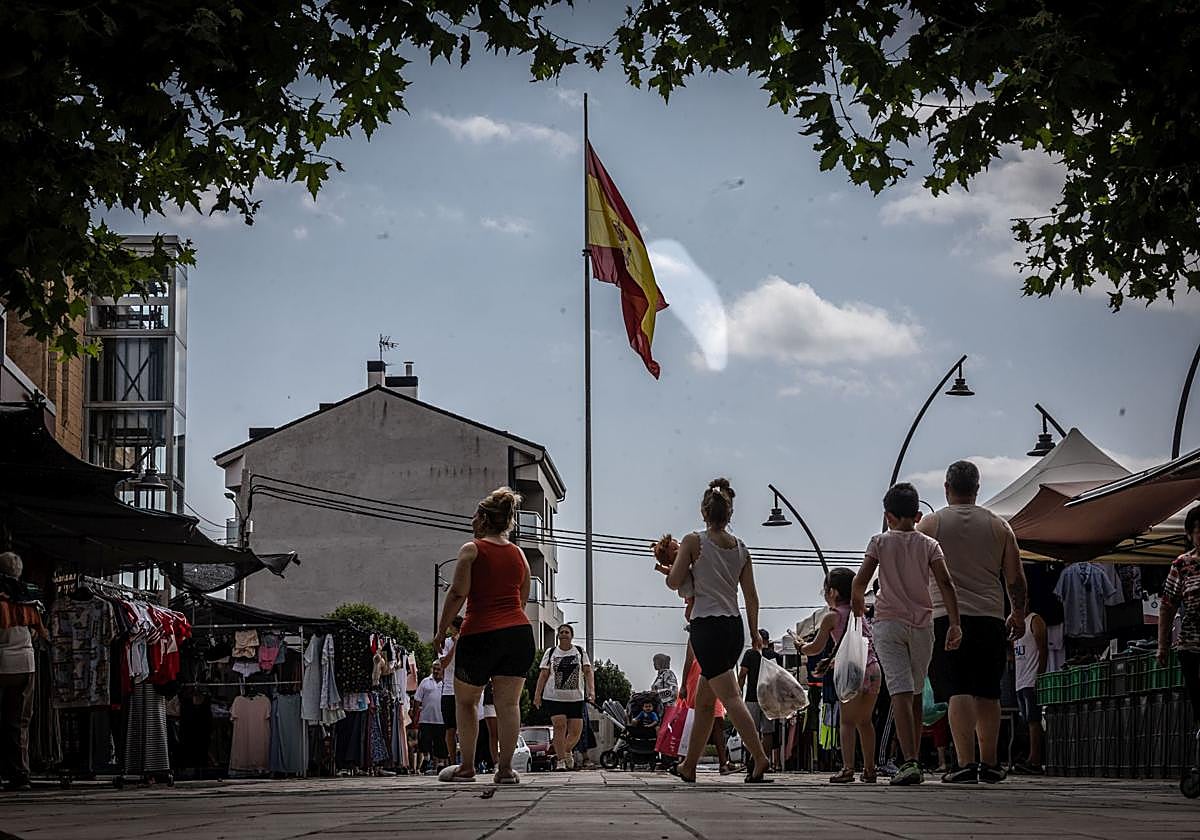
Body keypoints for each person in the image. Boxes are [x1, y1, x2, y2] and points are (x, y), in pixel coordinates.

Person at [917, 461, 1026, 784]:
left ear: (946, 488)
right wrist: (1018, 614)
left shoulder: (931, 524)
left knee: (957, 689)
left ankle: (964, 763)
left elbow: (915, 572)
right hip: (990, 617)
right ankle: (990, 763)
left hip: (945, 618)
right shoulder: (999, 526)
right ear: (977, 490)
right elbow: (1015, 579)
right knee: (988, 691)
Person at [853, 482, 962, 786]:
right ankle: (911, 759)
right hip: (923, 626)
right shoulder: (930, 545)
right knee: (913, 693)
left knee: (900, 694)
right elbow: (946, 583)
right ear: (917, 515)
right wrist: (954, 623)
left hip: (888, 625)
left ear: (888, 516)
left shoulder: (879, 542)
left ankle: (910, 761)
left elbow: (859, 583)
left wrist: (859, 605)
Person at [665, 478, 772, 783]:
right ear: (730, 513)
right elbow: (751, 596)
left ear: (703, 512)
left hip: (707, 627)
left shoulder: (693, 542)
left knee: (732, 697)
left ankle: (760, 759)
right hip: (733, 628)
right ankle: (689, 766)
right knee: (705, 702)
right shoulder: (741, 549)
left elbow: (675, 582)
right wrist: (754, 634)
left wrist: (673, 568)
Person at [431, 487, 536, 784]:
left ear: (483, 519)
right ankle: (504, 770)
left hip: (480, 635)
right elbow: (522, 599)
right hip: (518, 634)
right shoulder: (520, 555)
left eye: (475, 516)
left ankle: (466, 767)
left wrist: (441, 631)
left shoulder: (471, 549)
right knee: (508, 705)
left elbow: (457, 594)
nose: (472, 521)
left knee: (466, 702)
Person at [804, 568, 884, 783]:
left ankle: (848, 768)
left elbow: (815, 647)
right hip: (873, 669)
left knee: (847, 722)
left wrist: (801, 647)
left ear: (833, 592)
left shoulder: (832, 616)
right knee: (866, 722)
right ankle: (869, 769)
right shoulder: (860, 611)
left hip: (852, 671)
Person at [1159, 506, 1200, 724]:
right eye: (1198, 530)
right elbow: (1167, 606)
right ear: (1190, 535)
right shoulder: (1182, 564)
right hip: (1191, 645)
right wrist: (1162, 645)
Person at [533, 624, 595, 771]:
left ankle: (566, 751)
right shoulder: (551, 652)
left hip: (576, 698)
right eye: (561, 632)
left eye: (567, 632)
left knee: (576, 732)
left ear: (571, 635)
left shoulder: (579, 652)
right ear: (558, 636)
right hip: (554, 697)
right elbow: (543, 675)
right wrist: (537, 695)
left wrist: (591, 691)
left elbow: (588, 672)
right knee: (559, 727)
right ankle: (560, 760)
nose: (564, 634)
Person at [0, 551, 37, 792]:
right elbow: (36, 632)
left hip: (3, 662)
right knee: (20, 721)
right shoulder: (29, 598)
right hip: (27, 663)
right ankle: (20, 773)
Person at [680, 641, 735, 774]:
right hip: (708, 676)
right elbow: (689, 660)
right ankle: (721, 763)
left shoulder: (700, 631)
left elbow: (689, 661)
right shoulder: (706, 632)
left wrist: (683, 684)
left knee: (698, 721)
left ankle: (686, 762)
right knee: (711, 721)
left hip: (704, 676)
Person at [739, 628, 781, 771]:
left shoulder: (750, 654)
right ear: (768, 641)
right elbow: (779, 678)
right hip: (769, 699)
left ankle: (753, 761)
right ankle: (765, 762)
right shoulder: (775, 656)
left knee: (752, 731)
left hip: (752, 697)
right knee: (768, 732)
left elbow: (742, 674)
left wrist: (738, 691)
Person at [1012, 608, 1048, 773]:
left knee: (1034, 720)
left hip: (1031, 678)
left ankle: (1035, 760)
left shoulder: (1035, 620)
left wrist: (1040, 676)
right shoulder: (1014, 623)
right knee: (1026, 720)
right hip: (1020, 679)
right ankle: (1029, 756)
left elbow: (1043, 650)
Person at [436, 615, 464, 765]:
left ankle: (467, 760)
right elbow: (444, 663)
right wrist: (455, 645)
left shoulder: (467, 643)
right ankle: (452, 761)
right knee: (450, 728)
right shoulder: (445, 643)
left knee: (465, 728)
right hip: (448, 690)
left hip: (464, 689)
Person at [413, 664, 447, 773]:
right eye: (434, 669)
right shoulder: (425, 682)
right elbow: (417, 699)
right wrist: (415, 716)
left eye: (439, 669)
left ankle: (440, 765)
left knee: (440, 743)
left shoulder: (446, 684)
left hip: (441, 720)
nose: (436, 671)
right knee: (424, 742)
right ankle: (426, 759)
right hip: (426, 719)